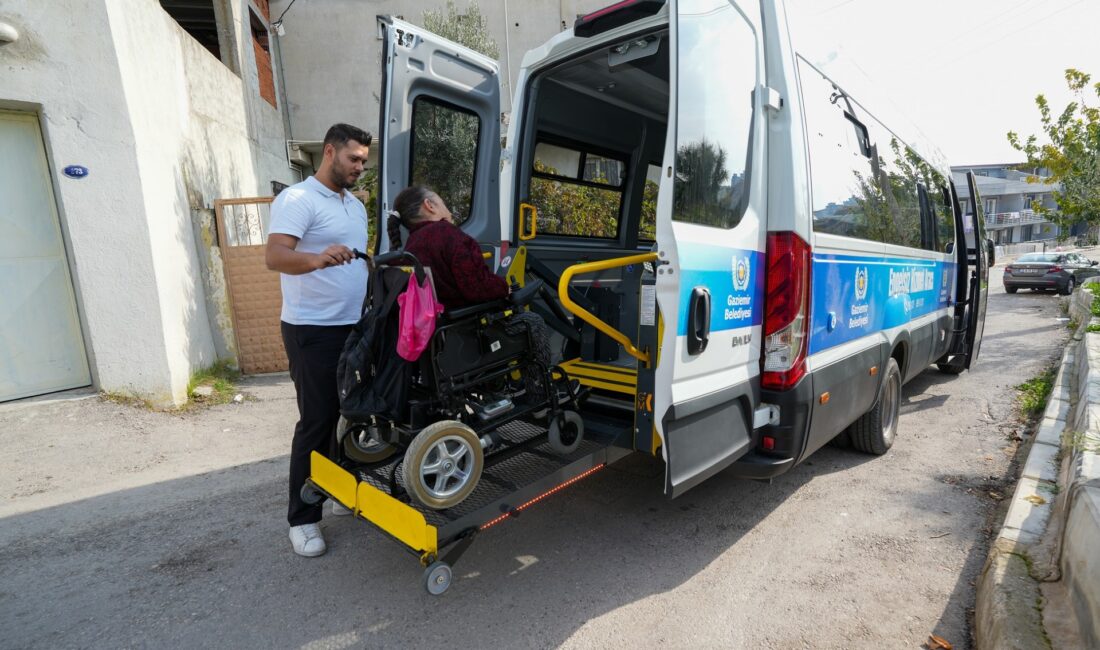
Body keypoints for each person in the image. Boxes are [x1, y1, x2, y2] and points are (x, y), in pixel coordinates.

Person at [265, 123, 372, 558]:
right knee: (317, 421)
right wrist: (316, 259)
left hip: (353, 326)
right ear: (329, 152)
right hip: (312, 329)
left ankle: (338, 489)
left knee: (349, 416)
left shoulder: (355, 206)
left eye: (364, 161)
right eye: (353, 158)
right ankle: (303, 519)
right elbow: (275, 256)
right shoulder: (298, 199)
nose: (360, 167)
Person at [387, 185, 552, 404]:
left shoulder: (411, 245)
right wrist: (505, 288)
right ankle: (540, 396)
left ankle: (498, 388)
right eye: (441, 201)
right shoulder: (449, 235)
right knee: (533, 323)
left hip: (437, 333)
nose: (447, 208)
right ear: (430, 205)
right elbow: (476, 287)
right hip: (469, 331)